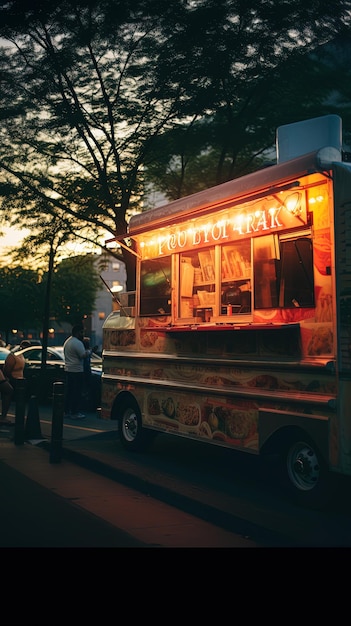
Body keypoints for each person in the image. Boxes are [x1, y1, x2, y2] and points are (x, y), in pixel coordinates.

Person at [63, 324, 91, 420]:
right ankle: (75, 412)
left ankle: (66, 411)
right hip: (77, 371)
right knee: (77, 392)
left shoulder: (68, 342)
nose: (83, 334)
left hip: (68, 369)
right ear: (77, 332)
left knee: (69, 392)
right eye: (82, 332)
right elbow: (82, 355)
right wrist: (89, 351)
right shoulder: (77, 343)